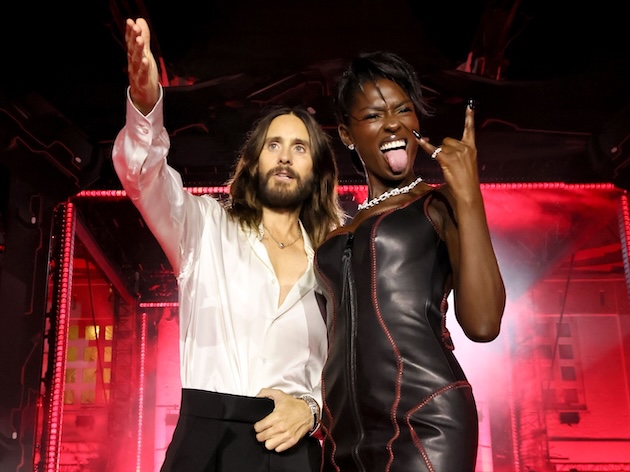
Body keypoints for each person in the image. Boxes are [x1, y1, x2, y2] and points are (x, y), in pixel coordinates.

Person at [112, 17, 344, 472]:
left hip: (292, 450)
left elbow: (350, 364)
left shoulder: (335, 258)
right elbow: (144, 177)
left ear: (317, 170)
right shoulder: (204, 226)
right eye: (273, 145)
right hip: (206, 444)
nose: (285, 155)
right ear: (254, 162)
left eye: (299, 148)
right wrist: (145, 104)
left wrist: (313, 410)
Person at [314, 51, 506, 471]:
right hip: (341, 436)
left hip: (427, 420)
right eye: (373, 115)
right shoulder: (334, 235)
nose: (393, 124)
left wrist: (468, 193)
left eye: (404, 110)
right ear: (346, 133)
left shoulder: (438, 205)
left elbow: (484, 324)